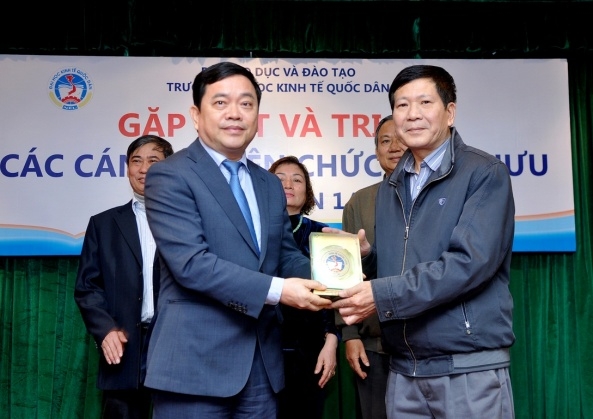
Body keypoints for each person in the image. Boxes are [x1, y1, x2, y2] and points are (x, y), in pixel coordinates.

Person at [142, 62, 333, 419]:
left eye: (246, 103)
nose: (235, 113)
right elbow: (191, 265)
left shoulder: (268, 184)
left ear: (257, 115)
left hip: (261, 368)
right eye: (221, 103)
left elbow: (284, 255)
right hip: (194, 367)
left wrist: (336, 272)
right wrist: (280, 290)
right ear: (196, 115)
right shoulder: (169, 175)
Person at [330, 64, 516, 418]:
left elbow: (468, 264)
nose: (412, 114)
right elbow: (405, 262)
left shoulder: (484, 173)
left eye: (424, 102)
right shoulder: (392, 186)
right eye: (402, 105)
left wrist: (380, 295)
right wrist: (368, 257)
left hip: (466, 366)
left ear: (450, 112)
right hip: (403, 369)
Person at [74, 134, 174, 419]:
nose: (143, 169)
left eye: (153, 161)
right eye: (136, 161)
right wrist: (106, 330)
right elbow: (87, 287)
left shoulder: (188, 221)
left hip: (175, 344)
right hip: (125, 347)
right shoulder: (103, 224)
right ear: (128, 168)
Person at [339, 115, 406, 419]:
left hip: (427, 345)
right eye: (385, 141)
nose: (394, 147)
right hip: (374, 344)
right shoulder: (360, 202)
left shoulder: (436, 199)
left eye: (401, 139)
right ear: (376, 151)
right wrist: (350, 335)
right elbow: (345, 276)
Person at [269, 156, 338, 419]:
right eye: (280, 179)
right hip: (262, 348)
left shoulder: (324, 234)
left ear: (307, 191)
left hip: (311, 349)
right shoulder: (252, 233)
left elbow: (336, 296)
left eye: (296, 180)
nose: (288, 184)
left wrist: (331, 341)